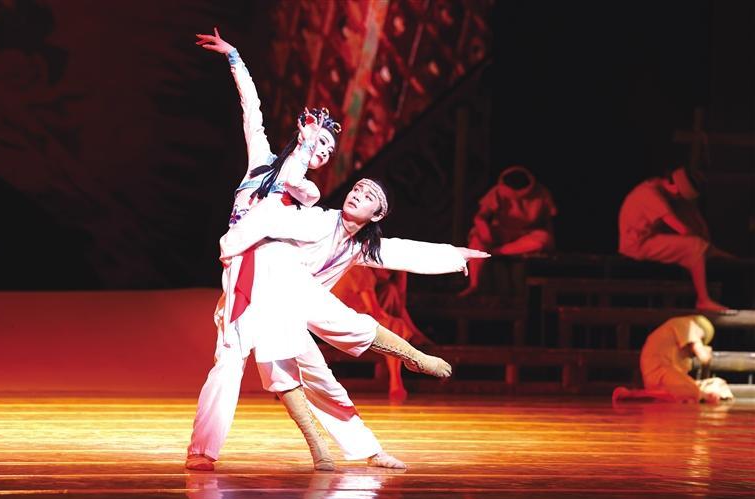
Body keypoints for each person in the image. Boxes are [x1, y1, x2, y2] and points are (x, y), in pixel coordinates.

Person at [190, 28, 488, 473]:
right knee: (232, 357)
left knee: (319, 371)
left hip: (284, 280)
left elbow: (396, 250)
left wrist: (453, 256)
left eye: (329, 151)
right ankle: (205, 450)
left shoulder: (309, 200)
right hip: (247, 270)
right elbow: (252, 112)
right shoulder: (266, 167)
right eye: (322, 145)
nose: (324, 153)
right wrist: (235, 58)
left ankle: (369, 441)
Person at [618, 166, 734, 312]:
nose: (678, 198)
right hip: (637, 245)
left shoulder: (660, 187)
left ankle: (717, 255)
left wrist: (707, 244)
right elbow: (681, 229)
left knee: (698, 244)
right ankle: (703, 300)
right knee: (694, 245)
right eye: (679, 195)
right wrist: (699, 243)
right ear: (673, 186)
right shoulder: (650, 195)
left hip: (649, 237)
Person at [332, 266, 434, 401]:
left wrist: (413, 332)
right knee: (396, 326)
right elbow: (375, 311)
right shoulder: (362, 271)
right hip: (341, 325)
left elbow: (398, 307)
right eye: (389, 271)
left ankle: (393, 376)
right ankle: (395, 379)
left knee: (393, 312)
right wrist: (403, 327)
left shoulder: (375, 279)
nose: (389, 275)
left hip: (352, 320)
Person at [459, 166, 556, 296]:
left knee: (544, 239)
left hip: (526, 235)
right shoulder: (497, 191)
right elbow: (481, 216)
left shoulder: (542, 193)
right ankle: (474, 284)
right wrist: (483, 228)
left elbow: (548, 222)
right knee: (477, 236)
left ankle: (496, 252)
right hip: (502, 232)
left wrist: (550, 243)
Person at [637, 315, 733, 404]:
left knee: (718, 384)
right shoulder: (687, 324)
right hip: (660, 375)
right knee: (691, 390)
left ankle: (701, 395)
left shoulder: (680, 345)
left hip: (667, 379)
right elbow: (704, 357)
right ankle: (702, 396)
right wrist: (704, 351)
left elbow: (683, 375)